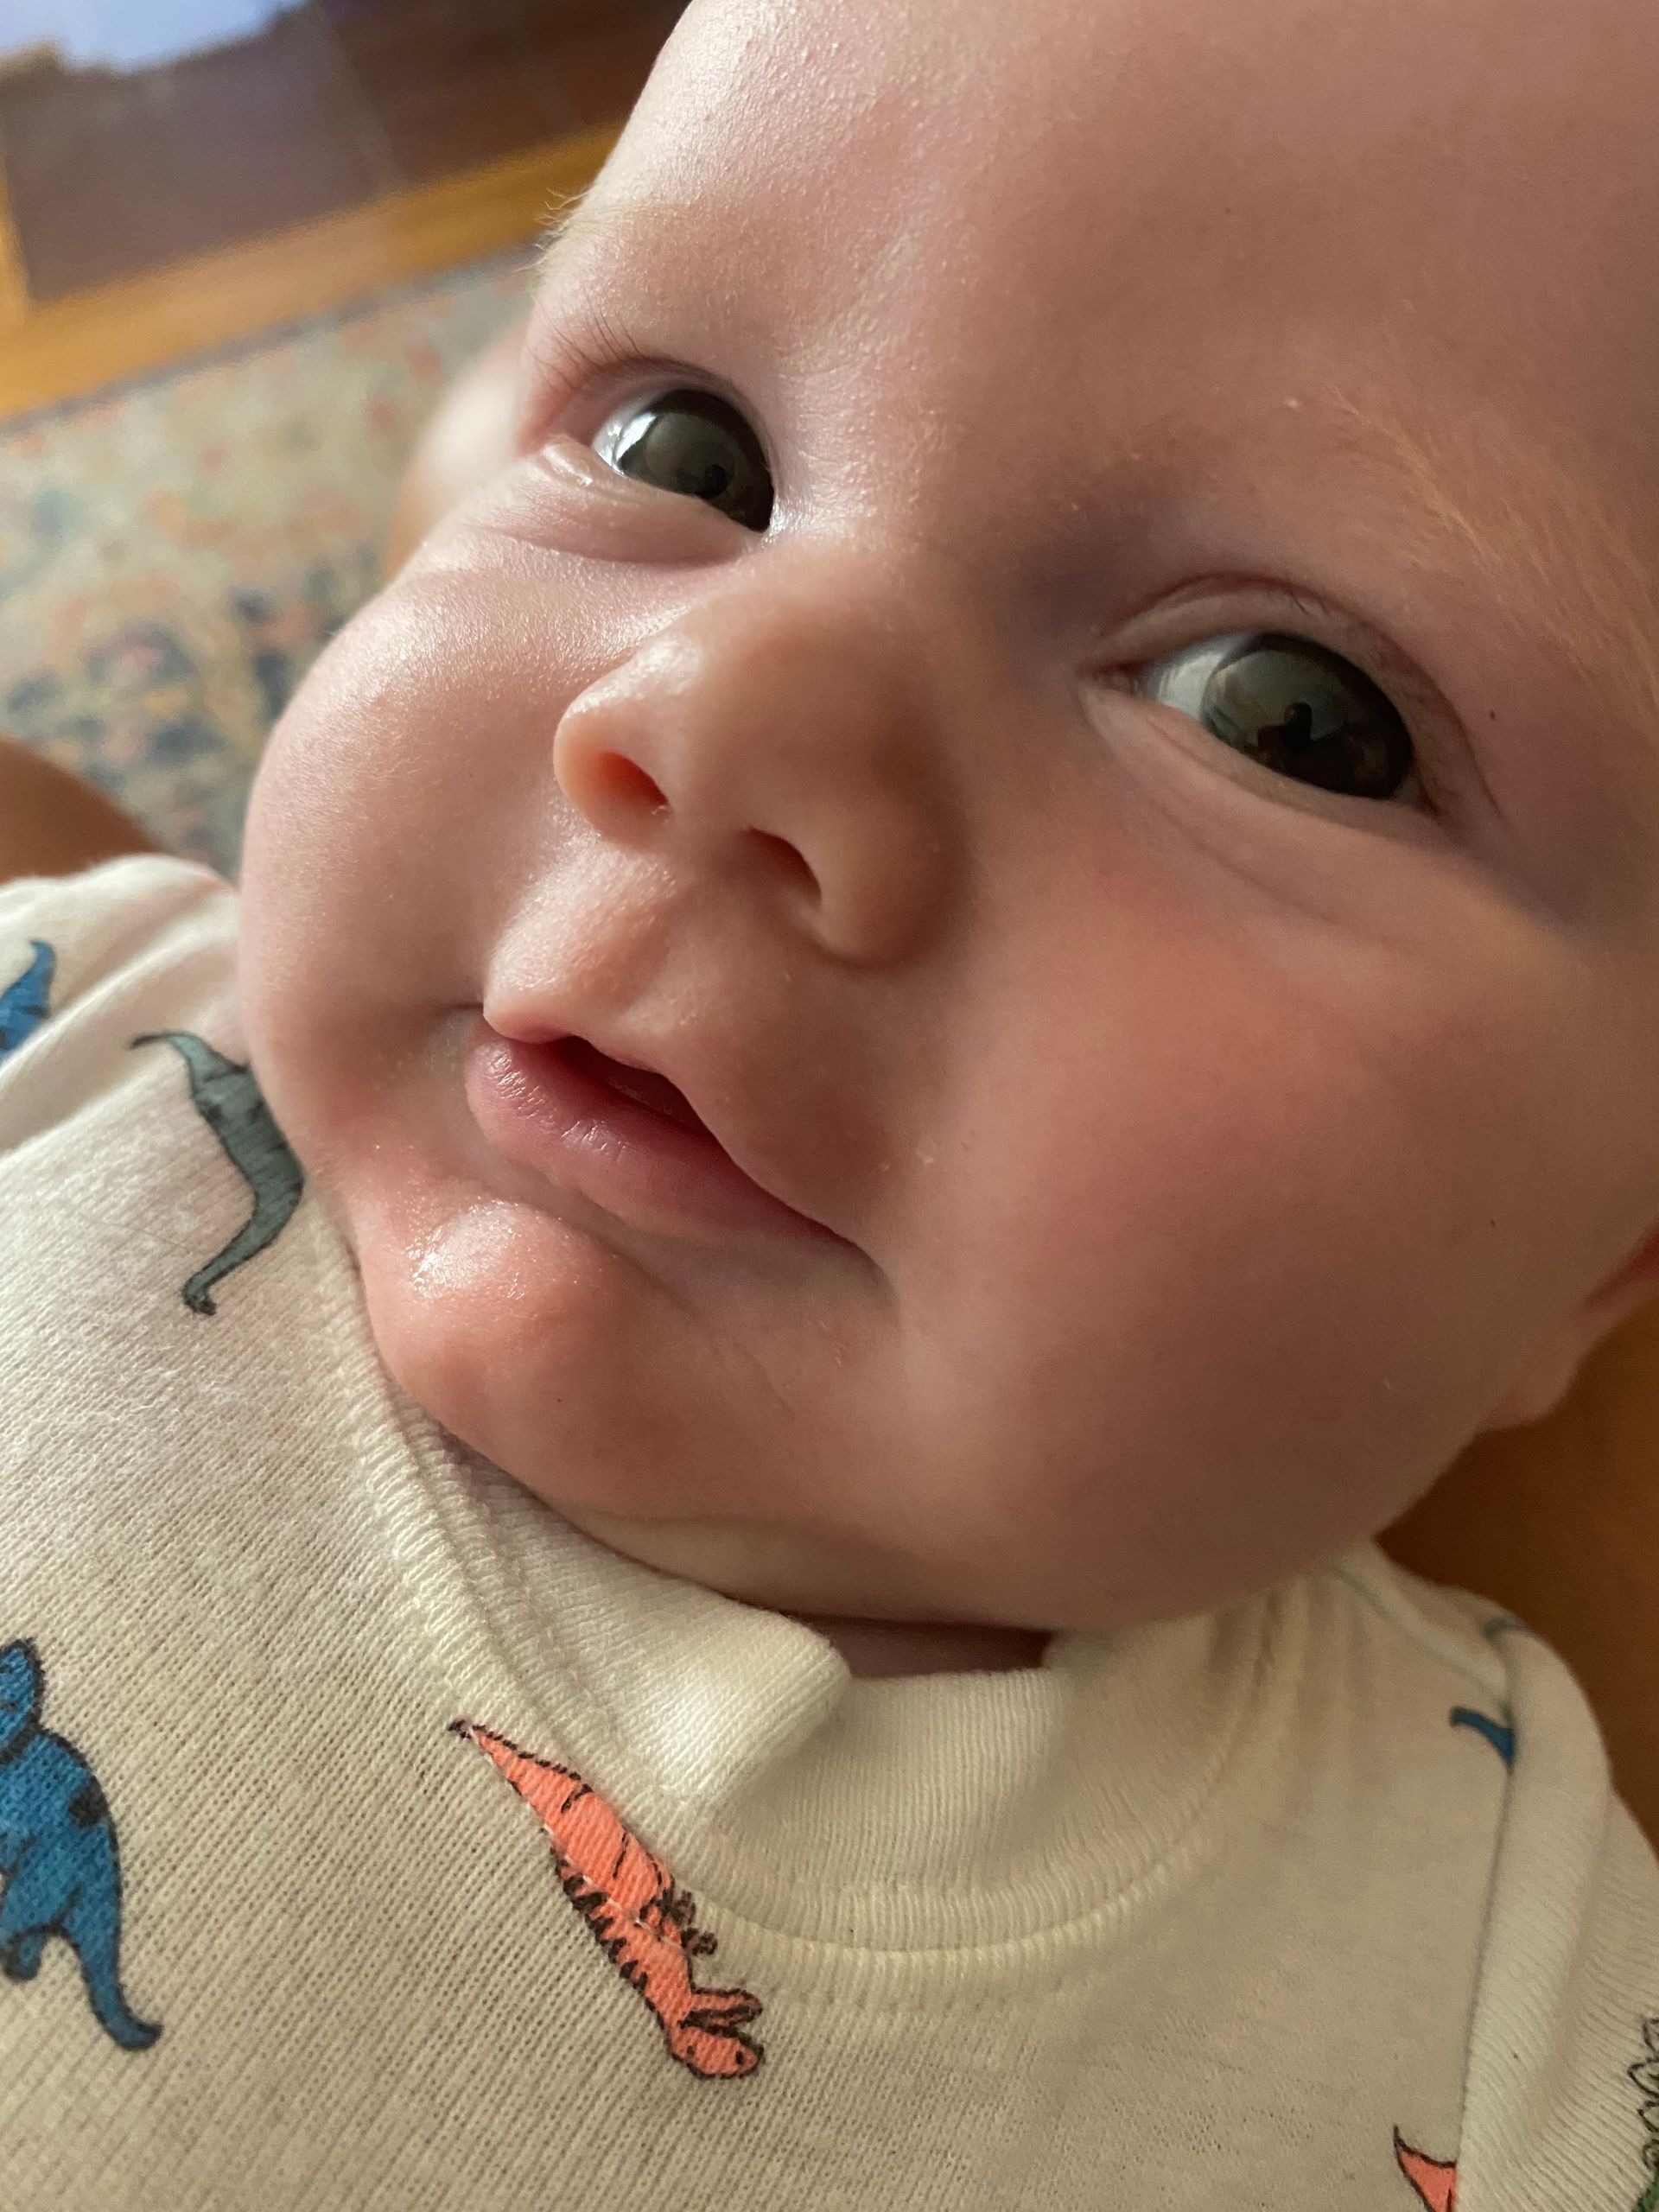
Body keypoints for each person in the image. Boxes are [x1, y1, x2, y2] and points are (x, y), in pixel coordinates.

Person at [3, 0, 1658, 2200]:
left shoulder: (1513, 1970)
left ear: (1614, 1262)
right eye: (687, 450)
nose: (704, 707)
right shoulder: (75, 1004)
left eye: (1290, 714)